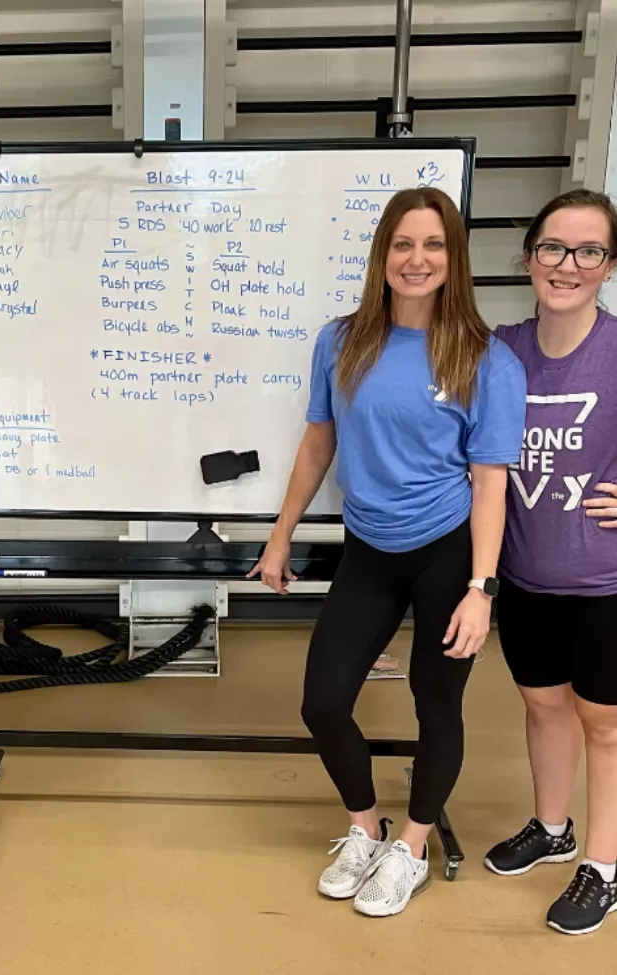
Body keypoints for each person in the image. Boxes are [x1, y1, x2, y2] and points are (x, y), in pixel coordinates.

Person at [249, 187, 526, 917]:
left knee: (436, 705)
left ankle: (411, 846)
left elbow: (490, 481)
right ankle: (363, 826)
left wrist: (481, 587)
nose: (416, 258)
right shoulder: (341, 341)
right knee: (322, 701)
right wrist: (280, 534)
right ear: (381, 253)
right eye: (402, 243)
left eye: (432, 244)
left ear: (452, 257)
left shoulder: (483, 359)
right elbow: (318, 442)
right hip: (367, 550)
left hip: (446, 551)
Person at [484, 189, 617, 936]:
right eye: (552, 248)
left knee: (603, 721)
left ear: (607, 266)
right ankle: (551, 825)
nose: (566, 264)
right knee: (541, 705)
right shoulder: (503, 348)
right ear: (529, 256)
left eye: (587, 251)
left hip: (603, 580)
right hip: (526, 575)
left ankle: (601, 866)